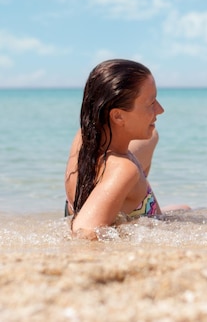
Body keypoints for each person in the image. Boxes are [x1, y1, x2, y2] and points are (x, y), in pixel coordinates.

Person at [64, 59, 182, 239]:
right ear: (118, 116)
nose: (160, 110)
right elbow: (83, 231)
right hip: (119, 204)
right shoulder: (123, 170)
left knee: (183, 209)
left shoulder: (84, 138)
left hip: (75, 208)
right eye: (151, 103)